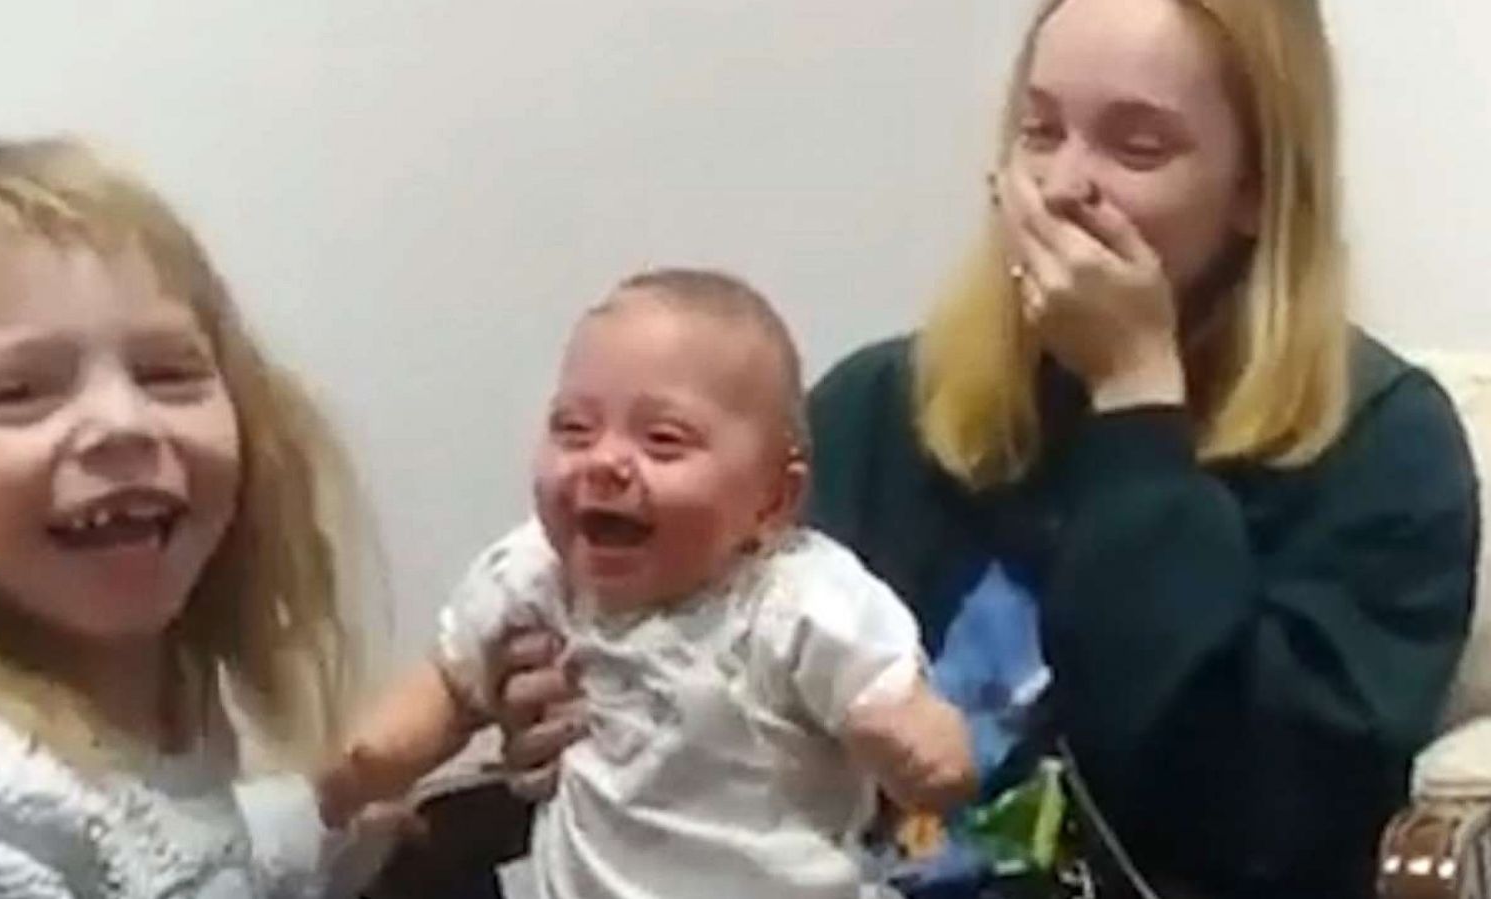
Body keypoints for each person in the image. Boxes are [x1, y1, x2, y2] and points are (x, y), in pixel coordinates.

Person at [488, 2, 1479, 897]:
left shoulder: (1386, 446)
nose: (1059, 186)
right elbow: (724, 679)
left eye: (1135, 146)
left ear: (1257, 190)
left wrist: (1135, 402)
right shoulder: (880, 404)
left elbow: (1254, 820)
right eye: (1038, 131)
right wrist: (593, 708)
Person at [318, 269, 977, 899]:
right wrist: (366, 762)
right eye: (572, 428)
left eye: (663, 440)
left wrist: (914, 740)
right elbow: (451, 681)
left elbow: (882, 698)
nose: (604, 461)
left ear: (774, 499)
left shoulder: (794, 600)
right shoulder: (536, 572)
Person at [0, 137, 384, 898]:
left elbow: (211, 844)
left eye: (168, 372)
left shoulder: (164, 718)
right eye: (20, 390)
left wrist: (390, 778)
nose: (123, 422)